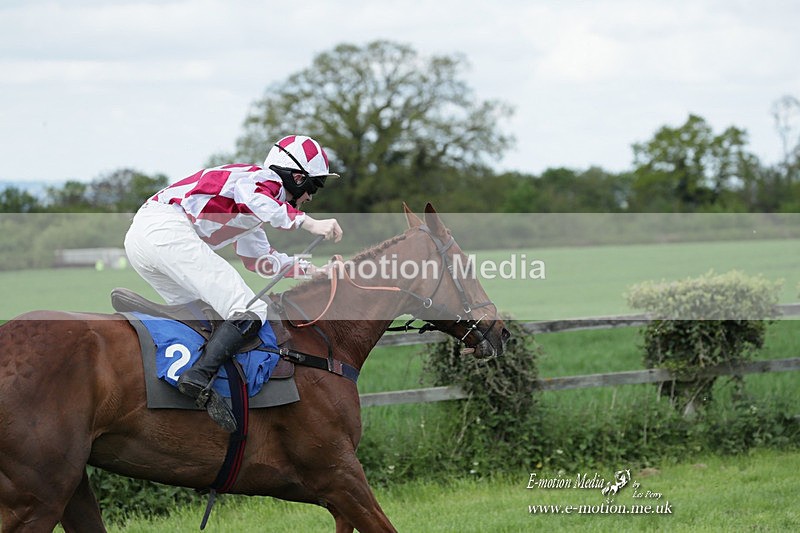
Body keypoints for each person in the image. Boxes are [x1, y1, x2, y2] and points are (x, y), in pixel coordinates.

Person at [124, 134, 343, 431]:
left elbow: (260, 261)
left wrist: (313, 272)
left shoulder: (251, 212)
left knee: (202, 316)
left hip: (145, 239)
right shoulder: (259, 182)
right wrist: (309, 223)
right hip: (166, 231)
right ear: (297, 178)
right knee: (249, 310)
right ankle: (198, 378)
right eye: (314, 186)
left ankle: (182, 377)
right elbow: (260, 199)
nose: (310, 198)